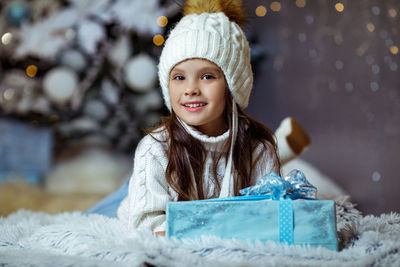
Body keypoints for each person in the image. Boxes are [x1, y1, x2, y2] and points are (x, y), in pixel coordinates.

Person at [86, 0, 281, 237]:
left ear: (233, 86)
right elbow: (148, 224)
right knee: (91, 217)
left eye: (207, 76)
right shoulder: (154, 149)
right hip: (140, 195)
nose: (191, 89)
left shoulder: (259, 148)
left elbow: (268, 218)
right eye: (179, 77)